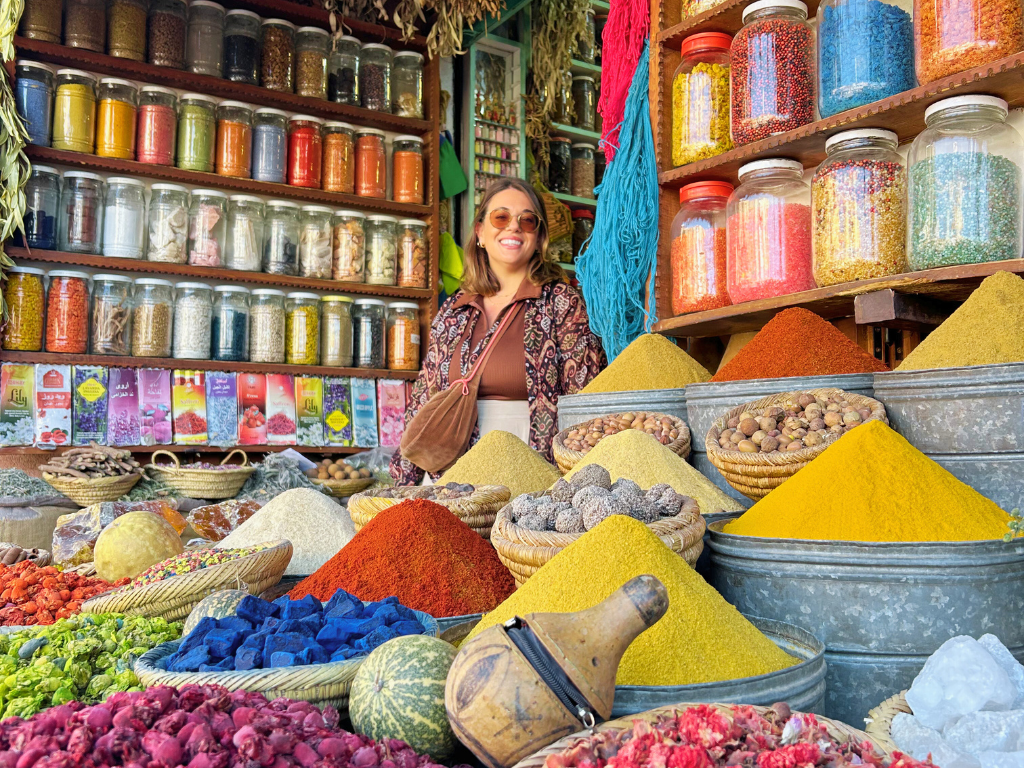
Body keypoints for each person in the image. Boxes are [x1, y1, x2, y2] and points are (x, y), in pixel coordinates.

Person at [390, 178, 606, 484]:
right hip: (449, 484)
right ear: (480, 231)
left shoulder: (561, 303)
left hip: (527, 483)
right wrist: (402, 487)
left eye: (527, 221)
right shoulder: (454, 310)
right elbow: (423, 401)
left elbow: (585, 404)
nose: (514, 227)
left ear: (539, 237)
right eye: (500, 217)